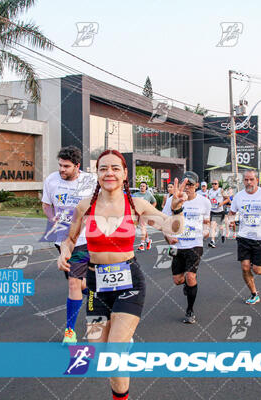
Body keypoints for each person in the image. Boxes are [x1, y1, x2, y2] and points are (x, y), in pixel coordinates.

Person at [57, 150, 186, 400]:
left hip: (129, 281)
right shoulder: (85, 207)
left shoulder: (136, 205)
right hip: (96, 283)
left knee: (114, 355)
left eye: (115, 168)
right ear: (97, 173)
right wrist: (64, 252)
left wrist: (178, 208)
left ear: (125, 174)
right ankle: (124, 341)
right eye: (104, 168)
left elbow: (173, 229)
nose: (109, 173)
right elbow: (70, 240)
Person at [42, 146, 96, 344]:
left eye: (66, 166)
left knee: (73, 282)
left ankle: (69, 332)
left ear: (77, 166)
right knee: (77, 282)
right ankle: (92, 290)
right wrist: (52, 218)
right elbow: (46, 205)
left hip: (83, 239)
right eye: (60, 165)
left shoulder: (89, 182)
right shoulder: (51, 180)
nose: (62, 170)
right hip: (61, 239)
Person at [163, 171, 211, 324]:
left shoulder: (204, 202)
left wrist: (206, 231)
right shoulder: (173, 200)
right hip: (178, 245)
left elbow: (206, 222)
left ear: (197, 185)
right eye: (185, 183)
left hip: (195, 244)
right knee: (178, 280)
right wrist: (168, 237)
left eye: (190, 184)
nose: (187, 187)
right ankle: (187, 286)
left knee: (191, 277)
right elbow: (164, 223)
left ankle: (190, 311)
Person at [229, 171, 261, 305]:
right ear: (243, 181)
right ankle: (254, 294)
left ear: (256, 180)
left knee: (257, 269)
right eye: (246, 180)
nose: (249, 182)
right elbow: (232, 212)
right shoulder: (239, 196)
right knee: (245, 267)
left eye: (251, 179)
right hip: (244, 236)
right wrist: (231, 220)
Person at [133, 182, 157, 251]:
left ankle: (142, 244)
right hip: (137, 214)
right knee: (141, 228)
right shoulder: (135, 194)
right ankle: (148, 240)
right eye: (140, 186)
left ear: (146, 187)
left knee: (142, 227)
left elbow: (154, 202)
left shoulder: (148, 195)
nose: (142, 187)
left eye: (143, 186)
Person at [207, 180, 229, 247]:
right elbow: (208, 199)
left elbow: (228, 199)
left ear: (218, 185)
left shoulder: (221, 190)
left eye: (215, 184)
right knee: (212, 226)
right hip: (212, 211)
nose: (214, 185)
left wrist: (221, 203)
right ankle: (212, 241)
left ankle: (223, 234)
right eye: (212, 184)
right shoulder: (209, 191)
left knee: (220, 227)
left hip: (220, 211)